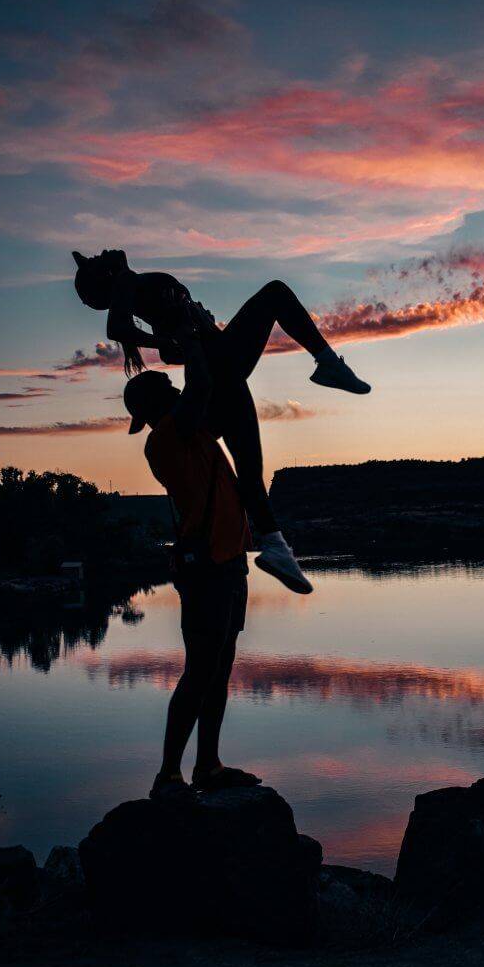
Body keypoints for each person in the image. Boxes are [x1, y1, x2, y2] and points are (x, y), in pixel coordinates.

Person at [72, 249, 371, 593]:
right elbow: (119, 328)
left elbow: (171, 354)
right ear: (103, 276)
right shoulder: (125, 280)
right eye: (95, 260)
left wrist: (188, 332)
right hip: (217, 361)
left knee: (248, 465)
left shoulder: (135, 287)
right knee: (275, 293)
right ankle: (327, 362)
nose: (101, 252)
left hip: (217, 363)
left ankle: (274, 546)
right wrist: (178, 336)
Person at [123, 334, 262, 800]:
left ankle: (207, 766)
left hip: (227, 564)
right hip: (205, 569)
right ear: (158, 403)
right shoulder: (164, 440)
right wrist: (191, 338)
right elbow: (202, 384)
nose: (178, 389)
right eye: (169, 386)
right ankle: (168, 775)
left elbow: (214, 391)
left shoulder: (197, 432)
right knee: (201, 670)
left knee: (219, 670)